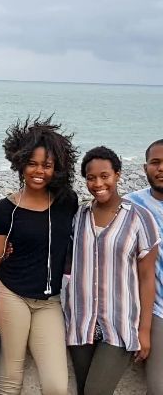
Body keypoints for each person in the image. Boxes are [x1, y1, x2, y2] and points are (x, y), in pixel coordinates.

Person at [0, 116, 78, 395]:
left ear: (57, 168)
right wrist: (6, 252)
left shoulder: (67, 202)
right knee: (10, 380)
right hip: (11, 294)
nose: (39, 171)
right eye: (32, 163)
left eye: (47, 165)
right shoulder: (5, 210)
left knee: (56, 385)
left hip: (50, 301)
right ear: (20, 163)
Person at [61, 146, 159, 395]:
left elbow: (147, 278)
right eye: (91, 178)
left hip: (120, 324)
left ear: (117, 175)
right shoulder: (79, 216)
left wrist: (144, 331)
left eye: (104, 176)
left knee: (95, 391)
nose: (98, 183)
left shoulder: (140, 218)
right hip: (81, 322)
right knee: (85, 390)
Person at [119, 139, 163, 395]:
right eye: (155, 163)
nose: (161, 168)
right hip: (157, 312)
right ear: (145, 167)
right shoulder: (131, 205)